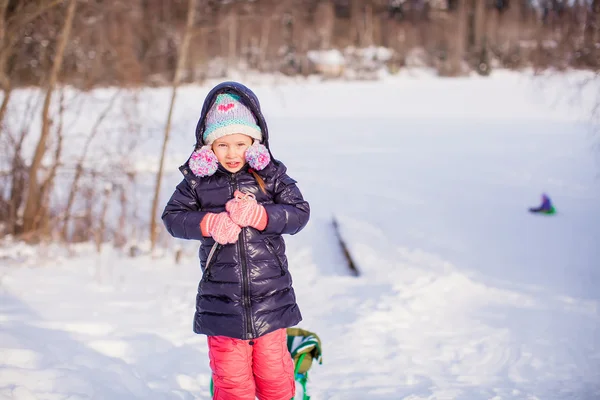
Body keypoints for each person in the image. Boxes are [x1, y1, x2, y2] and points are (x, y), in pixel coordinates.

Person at [162, 81, 310, 400]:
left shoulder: (270, 177)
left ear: (254, 143)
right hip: (221, 301)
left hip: (271, 297)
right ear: (209, 147)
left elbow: (299, 213)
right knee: (232, 381)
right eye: (223, 145)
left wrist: (261, 216)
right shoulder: (197, 182)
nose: (232, 154)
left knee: (273, 376)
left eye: (241, 144)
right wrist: (209, 222)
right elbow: (172, 218)